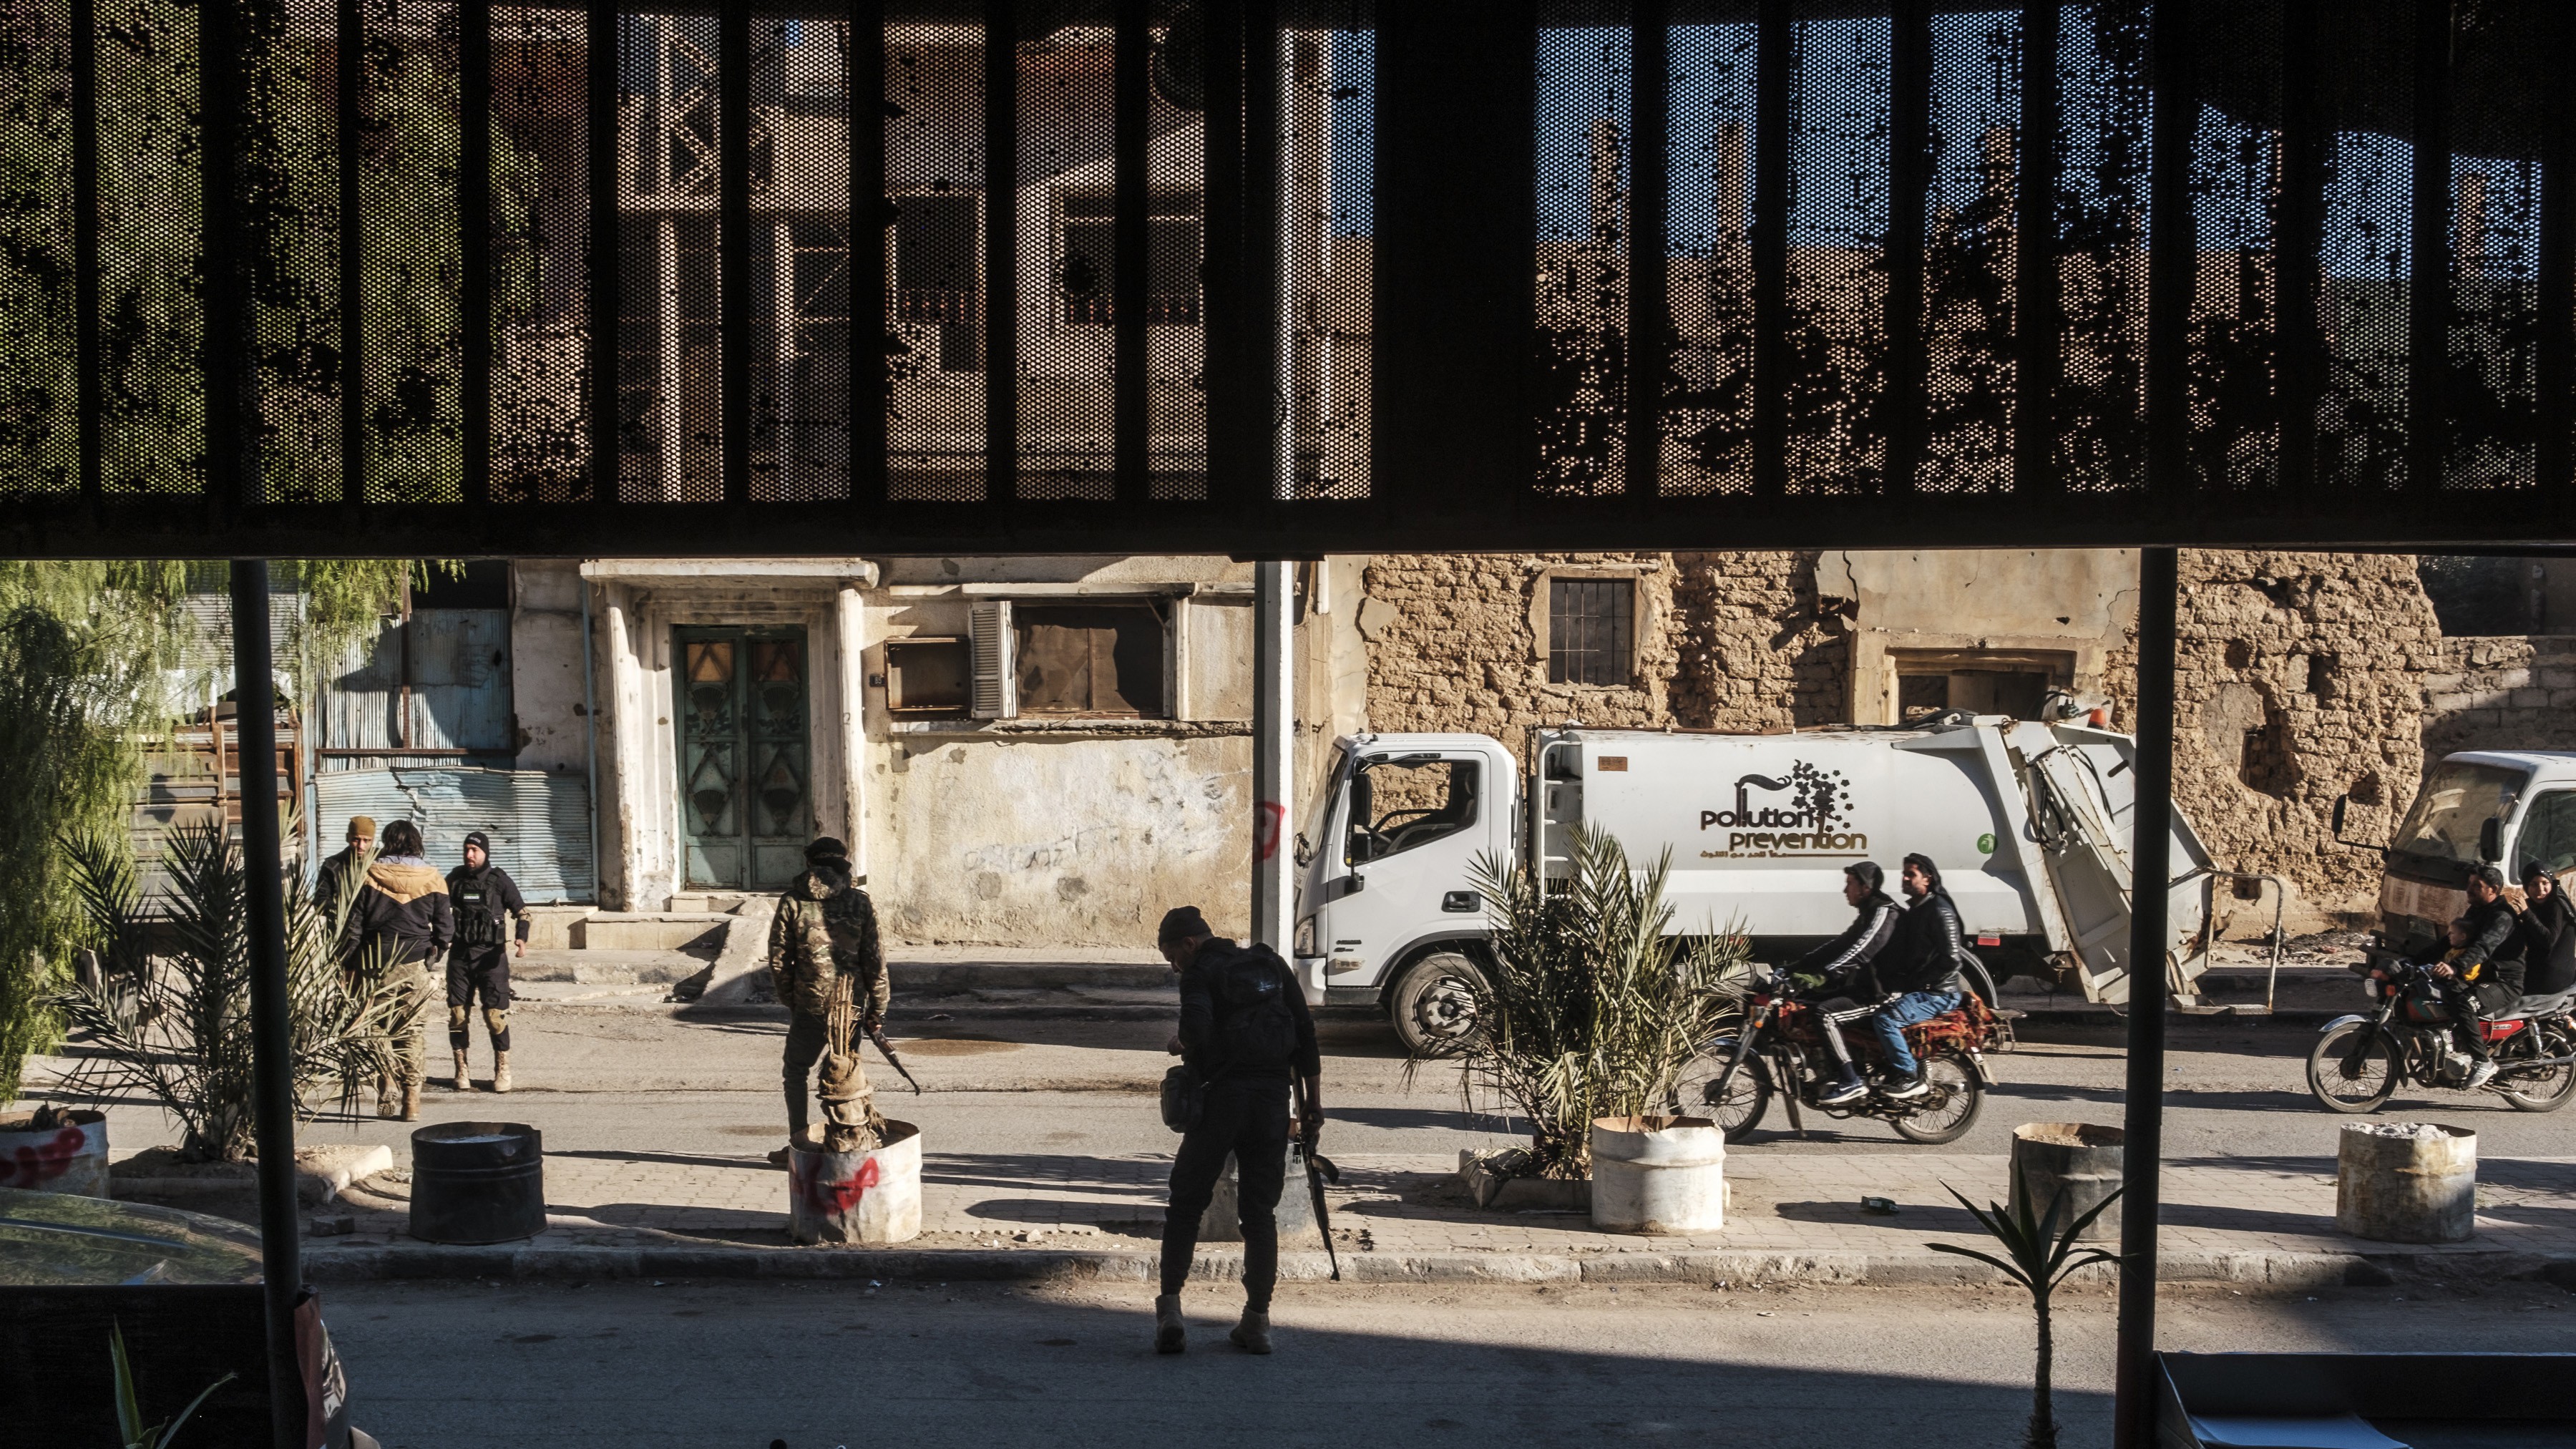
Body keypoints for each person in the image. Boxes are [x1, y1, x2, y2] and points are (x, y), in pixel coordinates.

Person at [1154, 906, 1322, 1358]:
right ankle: (1257, 1322)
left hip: (1219, 1104)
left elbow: (1194, 1028)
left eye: (1173, 957)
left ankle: (1170, 1310)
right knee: (1260, 1214)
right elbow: (1305, 1036)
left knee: (1186, 1204)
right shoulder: (1270, 963)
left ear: (1190, 943)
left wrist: (1181, 1042)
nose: (1176, 967)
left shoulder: (1200, 971)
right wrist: (1313, 1105)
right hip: (1271, 1103)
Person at [766, 836, 887, 1165]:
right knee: (846, 1075)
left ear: (810, 863)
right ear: (843, 864)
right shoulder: (860, 903)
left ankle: (799, 1142)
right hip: (850, 1006)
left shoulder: (792, 902)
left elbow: (779, 960)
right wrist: (878, 1008)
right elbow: (875, 961)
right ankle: (848, 1139)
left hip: (810, 1004)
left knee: (796, 1072)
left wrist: (792, 1000)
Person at [342, 819, 453, 1121]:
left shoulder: (369, 874)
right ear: (416, 843)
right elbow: (445, 928)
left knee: (376, 1027)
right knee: (412, 1030)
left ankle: (386, 1078)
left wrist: (349, 964)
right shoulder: (433, 878)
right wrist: (433, 956)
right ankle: (412, 1100)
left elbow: (354, 927)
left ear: (387, 842)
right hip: (414, 962)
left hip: (375, 963)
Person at [1784, 861, 1900, 1106]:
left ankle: (1851, 1080)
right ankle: (1833, 1069)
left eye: (1850, 884)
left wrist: (1823, 976)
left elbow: (1861, 951)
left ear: (1866, 887)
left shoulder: (1884, 912)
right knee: (1805, 1003)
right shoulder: (1868, 912)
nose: (1845, 890)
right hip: (1864, 988)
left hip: (1882, 995)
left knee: (1825, 1014)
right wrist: (1795, 967)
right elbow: (1840, 945)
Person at [1865, 853, 1970, 1101]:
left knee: (1886, 1019)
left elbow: (1952, 959)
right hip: (1922, 988)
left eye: (1911, 874)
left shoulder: (1940, 910)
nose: (1904, 879)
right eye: (1904, 874)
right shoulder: (1918, 908)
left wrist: (1921, 982)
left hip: (1939, 993)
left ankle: (1909, 1076)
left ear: (1928, 878)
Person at [444, 831, 530, 1095]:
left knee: (495, 1017)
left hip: (491, 958)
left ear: (485, 852)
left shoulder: (499, 880)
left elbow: (523, 913)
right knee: (458, 1015)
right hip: (460, 957)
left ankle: (502, 1069)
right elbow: (437, 908)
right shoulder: (455, 879)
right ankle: (461, 1070)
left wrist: (521, 939)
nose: (469, 855)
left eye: (475, 850)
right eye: (466, 850)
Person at [2428, 866, 2525, 1090]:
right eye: (2469, 884)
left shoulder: (2502, 917)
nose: (2469, 889)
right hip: (2480, 978)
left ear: (2493, 890)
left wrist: (2454, 967)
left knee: (2465, 1003)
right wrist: (2411, 960)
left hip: (2504, 982)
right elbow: (2451, 941)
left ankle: (2483, 1062)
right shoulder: (2476, 911)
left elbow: (2483, 947)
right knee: (2437, 991)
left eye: (2476, 886)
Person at [2516, 863, 2576, 998]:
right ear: (2526, 886)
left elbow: (2549, 940)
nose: (2540, 890)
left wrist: (2526, 913)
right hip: (2548, 971)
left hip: (2551, 978)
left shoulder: (2556, 905)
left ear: (2552, 884)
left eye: (2545, 883)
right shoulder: (2535, 905)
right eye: (2534, 884)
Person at [313, 816, 376, 917]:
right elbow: (320, 900)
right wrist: (343, 911)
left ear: (372, 840)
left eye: (366, 840)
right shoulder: (332, 865)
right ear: (347, 838)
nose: (361, 846)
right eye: (356, 840)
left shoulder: (381, 862)